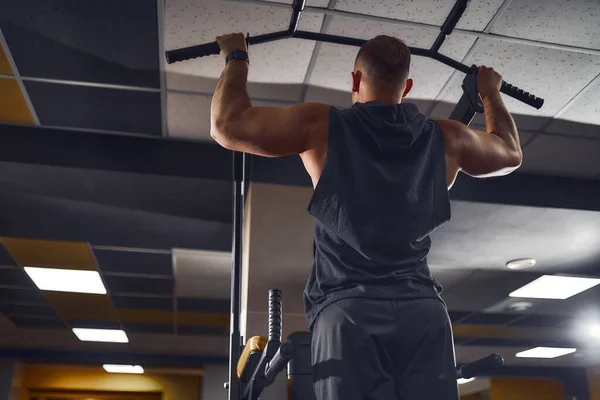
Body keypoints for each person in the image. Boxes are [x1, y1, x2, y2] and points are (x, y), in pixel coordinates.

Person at [211, 33, 522, 400]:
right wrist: (489, 92)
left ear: (355, 80)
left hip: (349, 312)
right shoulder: (448, 138)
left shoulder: (321, 125)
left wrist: (236, 57)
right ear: (406, 87)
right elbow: (510, 152)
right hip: (423, 313)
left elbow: (227, 126)